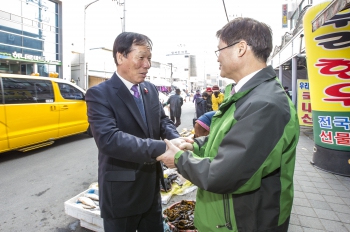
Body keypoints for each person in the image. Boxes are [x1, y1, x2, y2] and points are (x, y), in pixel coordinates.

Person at [157, 17, 299, 232]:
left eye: (220, 50)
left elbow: (225, 174)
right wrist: (195, 146)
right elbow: (231, 144)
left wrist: (178, 159)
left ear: (241, 48)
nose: (218, 58)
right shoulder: (248, 95)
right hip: (229, 217)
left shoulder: (264, 103)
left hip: (245, 222)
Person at [85, 32, 188, 232]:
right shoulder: (99, 94)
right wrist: (162, 148)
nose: (147, 64)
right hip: (121, 194)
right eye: (141, 57)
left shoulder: (149, 89)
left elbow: (162, 121)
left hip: (151, 188)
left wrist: (175, 140)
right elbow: (109, 139)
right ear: (120, 56)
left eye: (149, 58)